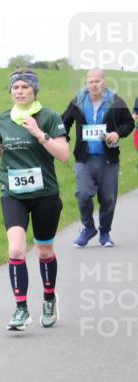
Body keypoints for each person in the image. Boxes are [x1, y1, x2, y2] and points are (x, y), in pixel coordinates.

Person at [0, 69, 70, 331]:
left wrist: (38, 133)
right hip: (13, 194)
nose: (19, 91)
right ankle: (21, 309)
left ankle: (49, 299)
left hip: (45, 196)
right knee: (16, 250)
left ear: (34, 91)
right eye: (15, 87)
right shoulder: (4, 118)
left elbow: (64, 155)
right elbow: (5, 152)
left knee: (44, 251)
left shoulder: (50, 117)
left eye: (24, 87)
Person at [61, 69, 135, 248]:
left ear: (104, 82)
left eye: (97, 81)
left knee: (108, 198)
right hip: (84, 159)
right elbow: (64, 121)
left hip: (108, 159)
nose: (93, 85)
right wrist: (64, 140)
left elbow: (129, 123)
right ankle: (88, 228)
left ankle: (104, 232)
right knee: (83, 195)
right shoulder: (78, 101)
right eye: (90, 82)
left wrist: (117, 133)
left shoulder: (116, 101)